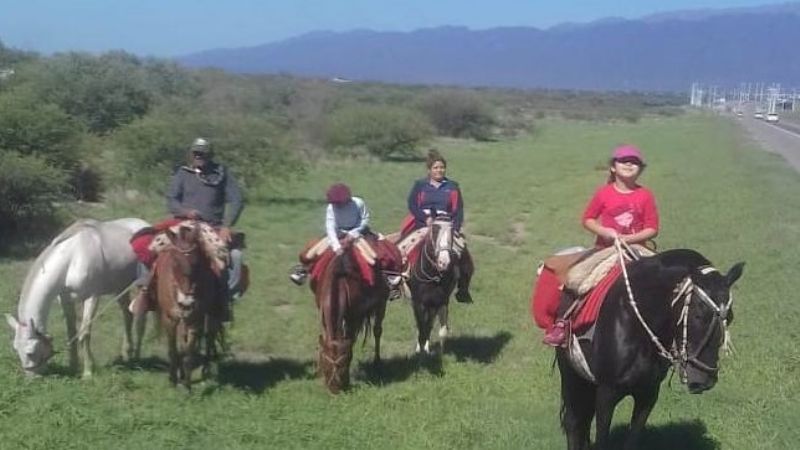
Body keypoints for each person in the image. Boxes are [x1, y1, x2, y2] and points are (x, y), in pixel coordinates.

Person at [542, 144, 659, 346]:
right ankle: (563, 324)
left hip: (637, 249)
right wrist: (605, 232)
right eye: (624, 161)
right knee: (576, 277)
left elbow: (652, 228)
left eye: (635, 162)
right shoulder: (604, 193)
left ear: (641, 169)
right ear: (613, 167)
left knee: (665, 281)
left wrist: (628, 240)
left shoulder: (645, 195)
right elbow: (588, 219)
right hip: (605, 250)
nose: (629, 164)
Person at [130, 137, 245, 318]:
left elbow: (237, 200)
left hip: (211, 226)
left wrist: (227, 226)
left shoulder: (222, 174)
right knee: (147, 245)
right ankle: (145, 292)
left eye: (203, 153)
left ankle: (224, 299)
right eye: (196, 153)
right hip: (182, 224)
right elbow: (172, 200)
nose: (199, 157)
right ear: (191, 154)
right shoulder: (182, 174)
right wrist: (185, 211)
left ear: (210, 154)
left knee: (235, 257)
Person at [290, 183, 402, 297]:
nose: (337, 206)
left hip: (358, 233)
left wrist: (353, 234)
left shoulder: (358, 203)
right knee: (311, 253)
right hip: (337, 234)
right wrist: (336, 246)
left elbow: (364, 219)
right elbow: (330, 226)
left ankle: (387, 277)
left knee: (372, 257)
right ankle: (303, 271)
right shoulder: (331, 208)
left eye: (339, 203)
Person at [402, 149, 474, 303]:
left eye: (441, 167)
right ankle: (398, 282)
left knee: (463, 252)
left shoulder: (452, 186)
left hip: (446, 225)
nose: (439, 170)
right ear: (429, 170)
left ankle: (463, 288)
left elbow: (458, 209)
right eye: (435, 168)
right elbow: (412, 204)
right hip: (423, 223)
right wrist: (425, 218)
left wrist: (455, 228)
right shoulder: (420, 185)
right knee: (403, 248)